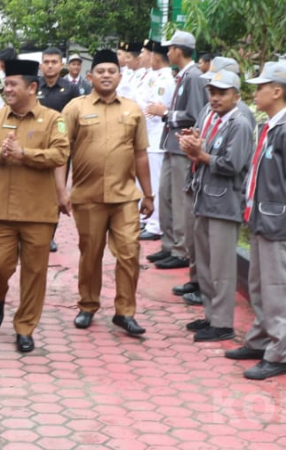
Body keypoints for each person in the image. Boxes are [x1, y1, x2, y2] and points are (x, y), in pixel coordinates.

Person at [224, 61, 286, 380]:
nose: (256, 91)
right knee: (259, 285)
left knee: (279, 289)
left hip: (278, 221)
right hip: (261, 217)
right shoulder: (269, 125)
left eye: (260, 87)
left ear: (277, 91)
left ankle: (278, 355)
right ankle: (261, 340)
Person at [0, 59, 69, 353]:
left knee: (34, 273)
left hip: (38, 212)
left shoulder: (53, 119)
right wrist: (0, 154)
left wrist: (24, 154)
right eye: (6, 84)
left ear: (32, 87)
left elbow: (60, 154)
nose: (8, 89)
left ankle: (25, 327)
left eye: (13, 84)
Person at [61, 49, 153, 336]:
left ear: (119, 76)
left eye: (111, 71)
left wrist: (148, 194)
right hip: (87, 196)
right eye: (100, 71)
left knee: (129, 253)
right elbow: (62, 153)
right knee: (91, 254)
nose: (106, 76)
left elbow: (140, 155)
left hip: (125, 196)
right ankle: (87, 305)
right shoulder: (75, 108)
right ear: (90, 76)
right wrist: (60, 193)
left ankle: (125, 312)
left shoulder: (132, 109)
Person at [176, 70, 254, 343]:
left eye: (222, 93)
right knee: (207, 263)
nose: (215, 98)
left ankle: (222, 323)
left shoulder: (240, 123)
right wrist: (193, 144)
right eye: (212, 92)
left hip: (224, 202)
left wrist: (201, 154)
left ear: (237, 95)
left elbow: (233, 164)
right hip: (205, 199)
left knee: (221, 268)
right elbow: (207, 153)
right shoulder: (216, 119)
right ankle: (211, 316)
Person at [146, 31, 205, 271]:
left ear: (178, 51)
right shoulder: (182, 76)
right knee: (166, 196)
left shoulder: (193, 77)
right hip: (171, 144)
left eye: (170, 48)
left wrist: (167, 114)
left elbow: (196, 113)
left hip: (182, 145)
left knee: (180, 200)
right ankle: (169, 245)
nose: (167, 52)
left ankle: (181, 250)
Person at [38, 47, 82, 253]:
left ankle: (49, 235)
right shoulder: (33, 86)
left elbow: (75, 118)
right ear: (41, 65)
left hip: (60, 149)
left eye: (54, 62)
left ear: (61, 65)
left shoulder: (70, 89)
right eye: (46, 61)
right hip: (35, 145)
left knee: (57, 190)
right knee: (35, 190)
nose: (50, 65)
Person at [136, 42, 175, 244]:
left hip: (156, 136)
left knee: (155, 184)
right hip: (148, 136)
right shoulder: (154, 76)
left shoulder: (165, 79)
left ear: (156, 57)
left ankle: (155, 225)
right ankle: (147, 219)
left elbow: (154, 109)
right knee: (147, 182)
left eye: (146, 54)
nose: (144, 57)